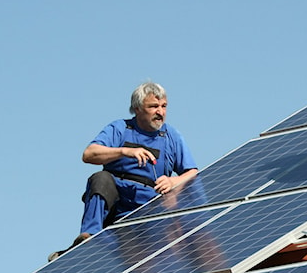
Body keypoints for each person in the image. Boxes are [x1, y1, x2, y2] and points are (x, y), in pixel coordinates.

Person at [48, 82, 198, 261]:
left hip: (149, 202)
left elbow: (192, 172)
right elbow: (89, 154)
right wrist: (124, 151)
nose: (160, 112)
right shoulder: (119, 128)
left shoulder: (171, 136)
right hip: (116, 196)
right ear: (137, 108)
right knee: (101, 178)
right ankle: (89, 238)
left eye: (163, 106)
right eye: (153, 107)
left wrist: (173, 182)